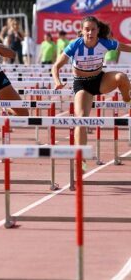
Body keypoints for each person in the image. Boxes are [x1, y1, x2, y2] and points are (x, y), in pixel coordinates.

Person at [51, 16, 131, 168]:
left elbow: (125, 47)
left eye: (93, 29)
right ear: (82, 31)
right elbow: (56, 66)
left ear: (98, 30)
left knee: (121, 77)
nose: (90, 33)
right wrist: (57, 82)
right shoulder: (74, 45)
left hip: (100, 80)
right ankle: (80, 158)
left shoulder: (104, 43)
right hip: (82, 85)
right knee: (81, 119)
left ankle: (128, 100)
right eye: (87, 29)